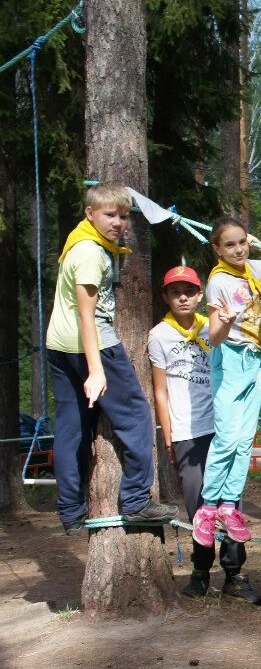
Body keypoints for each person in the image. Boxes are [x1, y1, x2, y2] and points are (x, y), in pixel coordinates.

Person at [45, 182, 177, 533]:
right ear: (90, 214)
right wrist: (95, 370)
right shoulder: (90, 253)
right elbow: (86, 315)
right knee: (135, 416)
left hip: (59, 345)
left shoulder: (82, 240)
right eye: (110, 215)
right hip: (93, 346)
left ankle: (71, 512)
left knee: (72, 428)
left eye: (123, 215)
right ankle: (136, 501)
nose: (118, 223)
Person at [149, 265, 261, 604]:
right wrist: (168, 438)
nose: (182, 297)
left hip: (222, 424)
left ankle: (234, 574)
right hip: (187, 431)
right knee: (198, 502)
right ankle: (200, 572)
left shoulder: (218, 325)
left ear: (201, 295)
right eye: (174, 291)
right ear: (166, 297)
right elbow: (160, 392)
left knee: (229, 501)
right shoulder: (159, 335)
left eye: (189, 291)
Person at [195, 216, 261, 570]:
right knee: (226, 437)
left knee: (244, 441)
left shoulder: (253, 269)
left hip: (256, 360)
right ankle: (208, 507)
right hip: (231, 358)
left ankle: (229, 504)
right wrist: (223, 322)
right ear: (217, 249)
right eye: (230, 245)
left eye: (242, 242)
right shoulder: (218, 282)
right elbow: (213, 337)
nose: (238, 249)